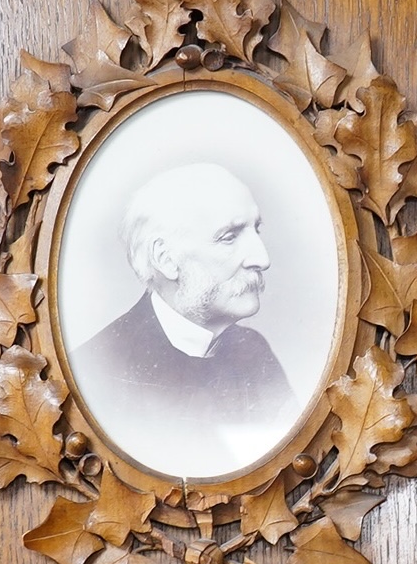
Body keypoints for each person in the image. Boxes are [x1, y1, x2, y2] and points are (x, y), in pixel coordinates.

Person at [71, 162, 292, 477]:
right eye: (229, 237)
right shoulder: (97, 372)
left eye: (256, 229)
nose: (262, 258)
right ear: (166, 259)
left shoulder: (255, 352)